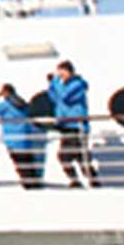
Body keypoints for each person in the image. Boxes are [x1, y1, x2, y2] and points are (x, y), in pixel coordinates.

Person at [47, 60, 97, 188]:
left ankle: (91, 180)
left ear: (69, 71)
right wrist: (52, 85)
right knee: (71, 156)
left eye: (61, 71)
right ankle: (78, 180)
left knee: (77, 155)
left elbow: (65, 96)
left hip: (77, 126)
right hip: (66, 126)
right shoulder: (61, 85)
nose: (59, 75)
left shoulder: (77, 84)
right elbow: (54, 98)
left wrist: (55, 82)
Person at [0, 83, 46, 189]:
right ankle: (35, 185)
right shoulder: (22, 103)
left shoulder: (6, 105)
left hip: (12, 140)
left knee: (21, 167)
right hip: (26, 140)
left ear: (5, 92)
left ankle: (31, 188)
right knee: (29, 164)